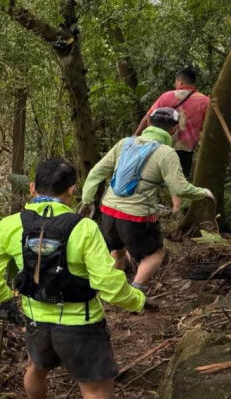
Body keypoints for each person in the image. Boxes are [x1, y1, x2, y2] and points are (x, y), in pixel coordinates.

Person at [0, 158, 148, 399]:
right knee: (97, 396)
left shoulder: (11, 225)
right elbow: (109, 285)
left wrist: (3, 300)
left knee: (37, 366)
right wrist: (136, 300)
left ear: (32, 188)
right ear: (72, 191)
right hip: (81, 326)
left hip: (35, 319)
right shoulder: (83, 228)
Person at [81, 108, 213, 291]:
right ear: (174, 129)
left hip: (108, 212)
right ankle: (136, 289)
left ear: (149, 123)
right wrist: (203, 192)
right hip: (136, 216)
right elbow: (179, 188)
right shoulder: (166, 152)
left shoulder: (124, 143)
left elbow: (96, 172)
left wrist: (87, 199)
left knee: (117, 251)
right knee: (155, 253)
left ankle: (112, 290)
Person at [134, 67, 210, 210]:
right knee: (178, 177)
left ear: (180, 81)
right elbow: (207, 127)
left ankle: (149, 204)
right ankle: (176, 208)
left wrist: (136, 134)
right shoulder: (204, 100)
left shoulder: (167, 96)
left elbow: (148, 117)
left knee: (153, 174)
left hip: (161, 144)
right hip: (186, 147)